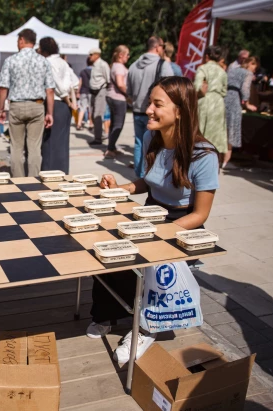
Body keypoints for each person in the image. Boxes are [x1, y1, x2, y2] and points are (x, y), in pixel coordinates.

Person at [87, 77, 219, 363]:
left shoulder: (204, 154)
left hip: (184, 222)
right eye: (150, 102)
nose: (148, 109)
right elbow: (148, 183)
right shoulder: (151, 138)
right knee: (108, 247)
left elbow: (200, 215)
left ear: (181, 111)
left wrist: (158, 232)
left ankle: (147, 327)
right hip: (150, 211)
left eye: (157, 104)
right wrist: (119, 189)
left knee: (147, 261)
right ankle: (106, 315)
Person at [0, 28, 55, 178]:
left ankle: (18, 182)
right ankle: (34, 181)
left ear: (22, 40)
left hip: (16, 106)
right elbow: (50, 90)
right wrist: (50, 113)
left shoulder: (10, 60)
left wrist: (1, 109)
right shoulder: (43, 61)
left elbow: (3, 87)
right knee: (35, 148)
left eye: (18, 40)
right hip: (36, 106)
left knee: (16, 147)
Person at [127, 36, 174, 177]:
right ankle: (147, 175)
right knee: (154, 144)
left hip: (136, 110)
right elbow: (171, 89)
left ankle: (139, 175)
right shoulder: (162, 64)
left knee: (139, 142)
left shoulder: (133, 65)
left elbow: (128, 92)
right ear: (158, 47)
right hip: (155, 113)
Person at [39, 37, 75, 174]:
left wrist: (66, 97)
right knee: (62, 142)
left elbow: (55, 85)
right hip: (64, 106)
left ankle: (49, 172)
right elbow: (75, 81)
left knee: (49, 142)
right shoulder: (63, 62)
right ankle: (62, 171)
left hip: (54, 102)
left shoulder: (47, 62)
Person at [223, 56, 259, 169]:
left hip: (223, 99)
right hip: (234, 102)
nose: (254, 70)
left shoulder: (232, 70)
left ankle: (218, 160)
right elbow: (245, 88)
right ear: (250, 64)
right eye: (254, 67)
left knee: (222, 131)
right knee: (231, 133)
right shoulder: (247, 73)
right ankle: (225, 162)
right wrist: (247, 103)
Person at [194, 45, 228, 163]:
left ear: (207, 56)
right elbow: (224, 91)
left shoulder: (203, 68)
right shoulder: (222, 71)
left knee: (201, 131)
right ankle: (214, 161)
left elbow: (197, 86)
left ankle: (199, 160)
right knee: (216, 134)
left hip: (205, 101)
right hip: (219, 102)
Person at [104, 45, 130, 159]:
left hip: (112, 97)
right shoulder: (119, 67)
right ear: (121, 55)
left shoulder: (114, 65)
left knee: (114, 123)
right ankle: (110, 149)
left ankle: (112, 146)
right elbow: (120, 83)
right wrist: (129, 95)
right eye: (127, 54)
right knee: (118, 124)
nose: (128, 57)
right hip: (118, 98)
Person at [88, 47, 110, 146]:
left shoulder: (103, 64)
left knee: (98, 115)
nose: (90, 57)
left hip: (101, 91)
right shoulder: (94, 65)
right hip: (93, 92)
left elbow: (108, 79)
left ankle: (98, 138)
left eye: (91, 54)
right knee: (93, 114)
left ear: (97, 55)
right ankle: (98, 135)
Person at [77, 58, 93, 130]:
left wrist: (78, 91)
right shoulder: (94, 71)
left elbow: (80, 82)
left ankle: (79, 124)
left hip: (83, 91)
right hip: (91, 92)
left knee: (82, 108)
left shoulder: (82, 72)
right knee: (91, 108)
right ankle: (91, 124)